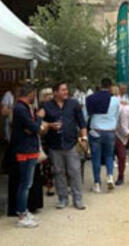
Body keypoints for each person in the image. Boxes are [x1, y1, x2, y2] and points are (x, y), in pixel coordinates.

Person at [41, 82, 88, 210]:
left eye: (66, 89)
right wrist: (48, 125)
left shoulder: (74, 104)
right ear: (55, 92)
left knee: (75, 172)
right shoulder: (46, 106)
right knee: (58, 172)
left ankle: (78, 199)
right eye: (63, 90)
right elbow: (39, 121)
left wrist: (84, 139)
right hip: (54, 145)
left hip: (71, 143)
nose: (66, 92)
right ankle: (62, 199)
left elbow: (82, 123)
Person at [10, 83, 49, 229]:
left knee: (27, 183)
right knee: (25, 184)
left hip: (30, 149)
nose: (35, 98)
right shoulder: (21, 108)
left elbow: (32, 127)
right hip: (25, 151)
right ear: (30, 94)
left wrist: (35, 124)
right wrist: (38, 120)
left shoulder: (25, 108)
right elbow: (35, 127)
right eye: (34, 94)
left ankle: (24, 211)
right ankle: (22, 214)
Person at [86, 77, 120, 193]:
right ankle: (110, 176)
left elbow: (88, 115)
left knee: (96, 158)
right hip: (110, 130)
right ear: (110, 87)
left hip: (96, 130)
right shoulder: (115, 100)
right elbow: (116, 116)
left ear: (100, 85)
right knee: (109, 156)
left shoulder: (90, 98)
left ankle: (97, 183)